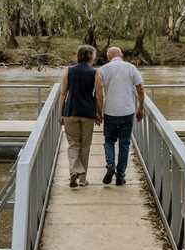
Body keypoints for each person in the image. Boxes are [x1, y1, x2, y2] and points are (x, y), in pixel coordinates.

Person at [98, 46, 144, 186]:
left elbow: (98, 93)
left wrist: (99, 112)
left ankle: (110, 165)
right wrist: (140, 108)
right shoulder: (131, 68)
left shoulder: (103, 69)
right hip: (127, 111)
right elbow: (140, 89)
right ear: (121, 54)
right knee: (124, 144)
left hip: (110, 112)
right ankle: (120, 176)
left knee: (109, 141)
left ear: (108, 57)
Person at [60, 45, 104, 188]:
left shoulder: (68, 70)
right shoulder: (95, 72)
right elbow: (98, 95)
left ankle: (74, 171)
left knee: (73, 144)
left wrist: (61, 113)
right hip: (87, 113)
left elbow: (63, 94)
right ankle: (83, 179)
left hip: (70, 112)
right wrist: (99, 113)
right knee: (85, 146)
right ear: (90, 56)